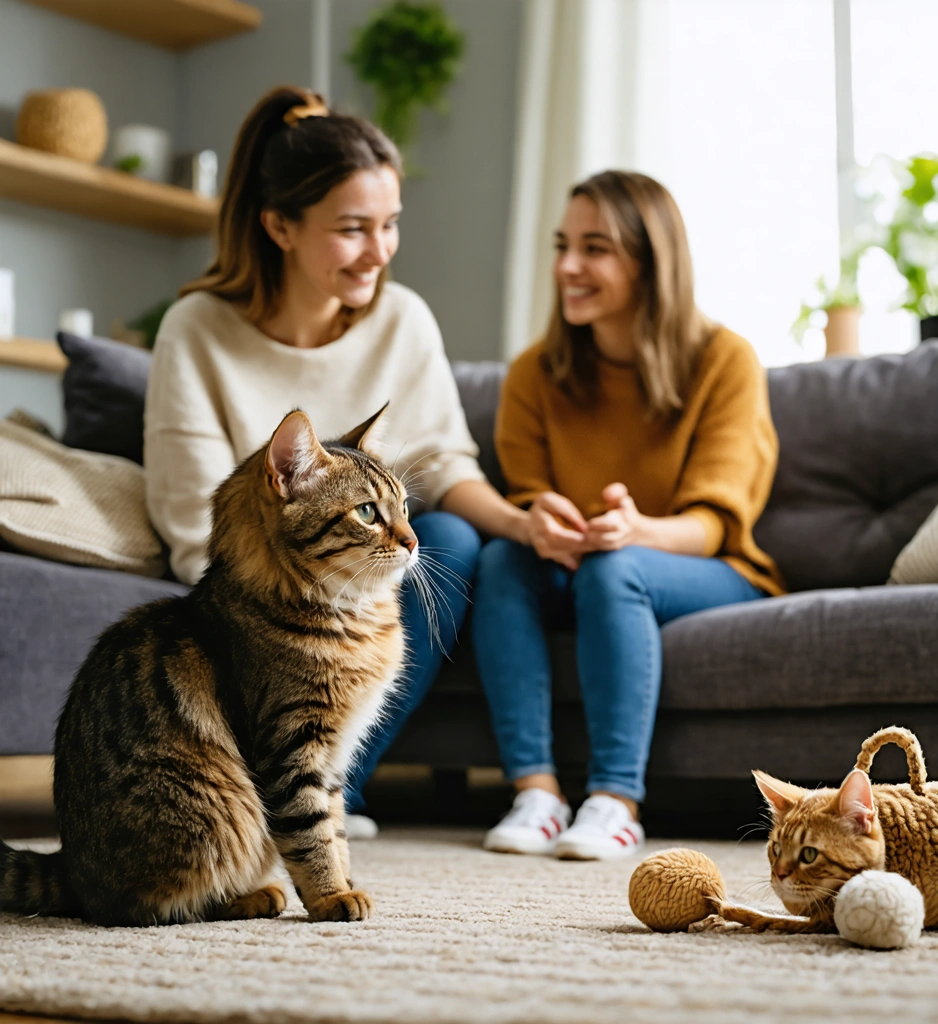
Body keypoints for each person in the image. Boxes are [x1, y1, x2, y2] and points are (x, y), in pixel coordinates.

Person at [144, 86, 524, 837]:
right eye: (353, 229)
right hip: (258, 592)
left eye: (390, 224)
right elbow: (195, 526)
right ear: (279, 225)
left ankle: (334, 785)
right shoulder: (196, 330)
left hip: (356, 574)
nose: (380, 251)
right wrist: (299, 608)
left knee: (454, 540)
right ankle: (290, 786)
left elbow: (445, 461)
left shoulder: (404, 318)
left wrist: (524, 523)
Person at [474, 170, 787, 860]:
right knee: (501, 559)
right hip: (580, 565)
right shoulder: (533, 373)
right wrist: (539, 519)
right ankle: (538, 796)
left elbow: (714, 523)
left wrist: (637, 531)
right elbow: (526, 493)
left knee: (615, 569)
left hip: (707, 568)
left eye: (595, 249)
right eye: (563, 246)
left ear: (651, 263)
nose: (567, 267)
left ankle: (616, 802)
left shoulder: (725, 360)